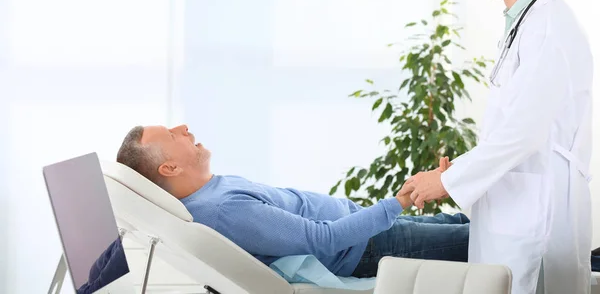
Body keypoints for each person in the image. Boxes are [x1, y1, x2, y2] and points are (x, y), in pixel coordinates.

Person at [399, 0, 594, 294]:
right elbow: (515, 127)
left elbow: (523, 134)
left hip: (537, 225)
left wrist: (447, 180)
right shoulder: (526, 22)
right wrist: (462, 169)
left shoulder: (548, 27)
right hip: (516, 216)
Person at [115, 124, 470, 279]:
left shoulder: (209, 194)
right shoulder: (225, 211)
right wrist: (400, 201)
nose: (184, 127)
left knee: (473, 227)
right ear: (170, 167)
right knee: (479, 240)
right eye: (172, 134)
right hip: (368, 246)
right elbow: (324, 240)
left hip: (370, 232)